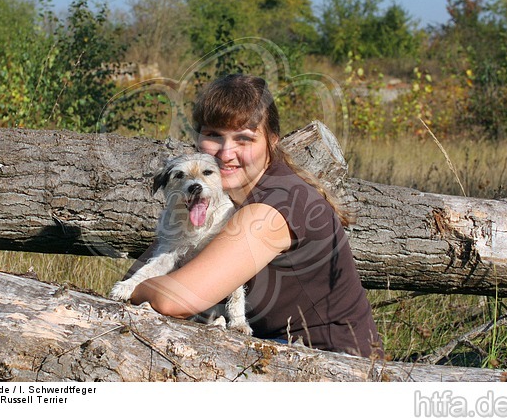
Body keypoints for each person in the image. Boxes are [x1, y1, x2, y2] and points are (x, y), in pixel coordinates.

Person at [130, 74, 383, 358]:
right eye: (214, 135)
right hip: (276, 349)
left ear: (271, 142)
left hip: (331, 364)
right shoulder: (217, 199)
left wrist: (136, 288)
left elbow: (174, 299)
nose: (226, 153)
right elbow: (151, 269)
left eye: (244, 138)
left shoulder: (273, 207)